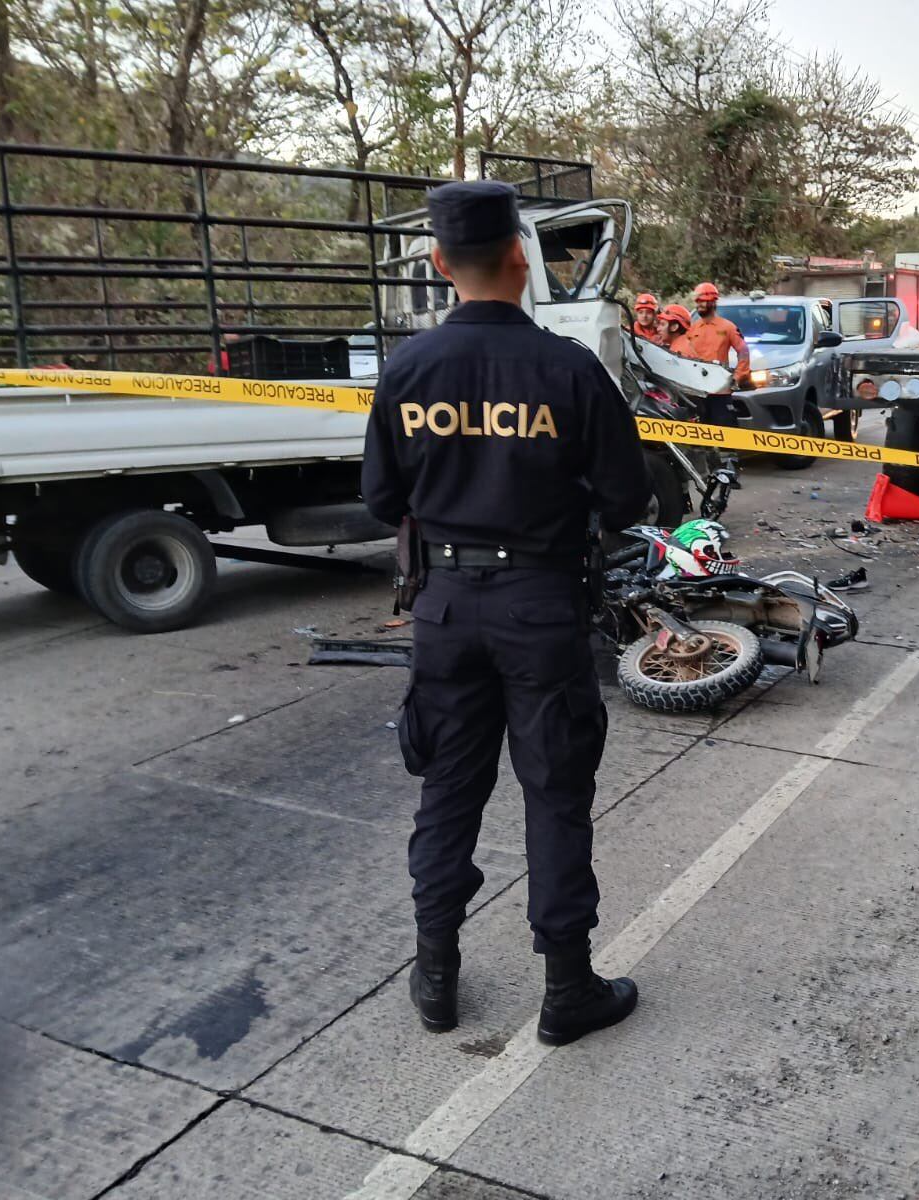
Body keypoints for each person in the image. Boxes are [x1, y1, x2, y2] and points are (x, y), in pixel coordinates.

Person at [361, 180, 651, 1046]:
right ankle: (568, 990)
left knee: (448, 791)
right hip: (541, 606)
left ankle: (436, 975)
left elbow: (381, 499)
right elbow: (628, 498)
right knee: (555, 795)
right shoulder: (568, 368)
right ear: (520, 259)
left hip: (445, 609)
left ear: (442, 266)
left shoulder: (406, 370)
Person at [671, 281, 752, 390]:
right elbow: (682, 353)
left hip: (720, 390)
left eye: (703, 301)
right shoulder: (693, 328)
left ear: (713, 302)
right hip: (697, 389)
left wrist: (737, 377)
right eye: (697, 301)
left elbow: (743, 352)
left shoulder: (728, 327)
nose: (699, 304)